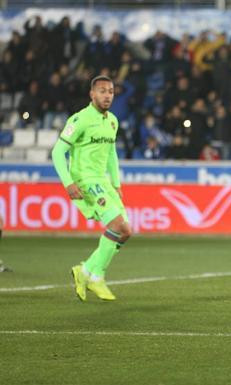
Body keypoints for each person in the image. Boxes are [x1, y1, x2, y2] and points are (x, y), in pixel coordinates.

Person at [51, 75, 131, 302]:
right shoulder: (80, 119)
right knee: (117, 225)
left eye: (111, 92)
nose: (107, 96)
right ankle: (97, 276)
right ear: (92, 94)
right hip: (85, 181)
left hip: (103, 182)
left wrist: (116, 183)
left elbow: (112, 155)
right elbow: (57, 153)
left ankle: (85, 271)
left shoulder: (113, 121)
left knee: (126, 232)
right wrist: (68, 182)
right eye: (102, 91)